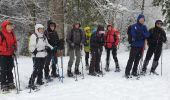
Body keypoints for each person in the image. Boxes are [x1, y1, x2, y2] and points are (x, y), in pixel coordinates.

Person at [125, 14, 150, 78]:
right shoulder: (134, 26)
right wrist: (141, 35)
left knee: (137, 60)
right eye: (141, 20)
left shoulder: (144, 27)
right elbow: (134, 34)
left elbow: (147, 34)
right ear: (138, 19)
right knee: (131, 59)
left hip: (141, 46)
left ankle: (134, 71)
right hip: (134, 46)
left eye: (143, 20)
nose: (142, 21)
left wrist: (141, 34)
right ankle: (127, 72)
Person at [28, 24, 52, 89]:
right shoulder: (34, 36)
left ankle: (39, 80)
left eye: (42, 29)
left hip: (43, 54)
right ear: (37, 29)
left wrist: (51, 48)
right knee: (36, 69)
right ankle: (31, 82)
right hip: (36, 55)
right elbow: (31, 45)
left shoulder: (43, 36)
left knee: (41, 68)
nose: (41, 30)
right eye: (40, 29)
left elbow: (47, 44)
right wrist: (33, 50)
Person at [0, 20, 17, 92]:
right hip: (2, 55)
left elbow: (15, 42)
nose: (10, 28)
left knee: (10, 69)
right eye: (8, 26)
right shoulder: (1, 34)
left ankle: (10, 82)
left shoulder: (12, 34)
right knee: (3, 70)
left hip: (10, 54)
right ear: (5, 27)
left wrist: (15, 47)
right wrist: (5, 48)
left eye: (11, 26)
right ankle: (3, 84)